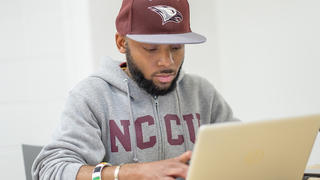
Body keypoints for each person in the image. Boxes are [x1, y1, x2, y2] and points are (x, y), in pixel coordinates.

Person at [32, 0, 238, 179]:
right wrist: (132, 173)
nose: (167, 62)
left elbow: (243, 151)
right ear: (122, 43)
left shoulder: (201, 92)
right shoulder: (91, 96)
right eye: (151, 49)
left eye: (176, 48)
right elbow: (50, 170)